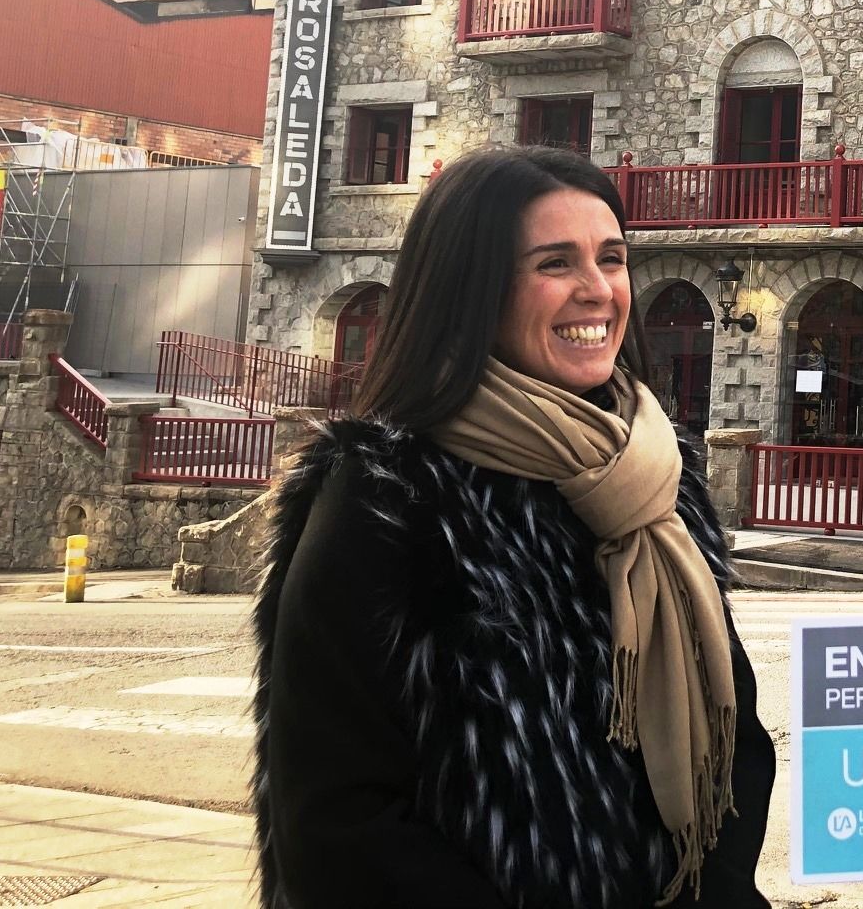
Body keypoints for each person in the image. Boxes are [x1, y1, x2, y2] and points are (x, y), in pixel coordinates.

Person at [253, 146, 775, 909]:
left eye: (613, 258)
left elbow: (736, 737)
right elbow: (338, 822)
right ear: (472, 290)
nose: (597, 291)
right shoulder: (387, 492)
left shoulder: (657, 478)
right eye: (555, 263)